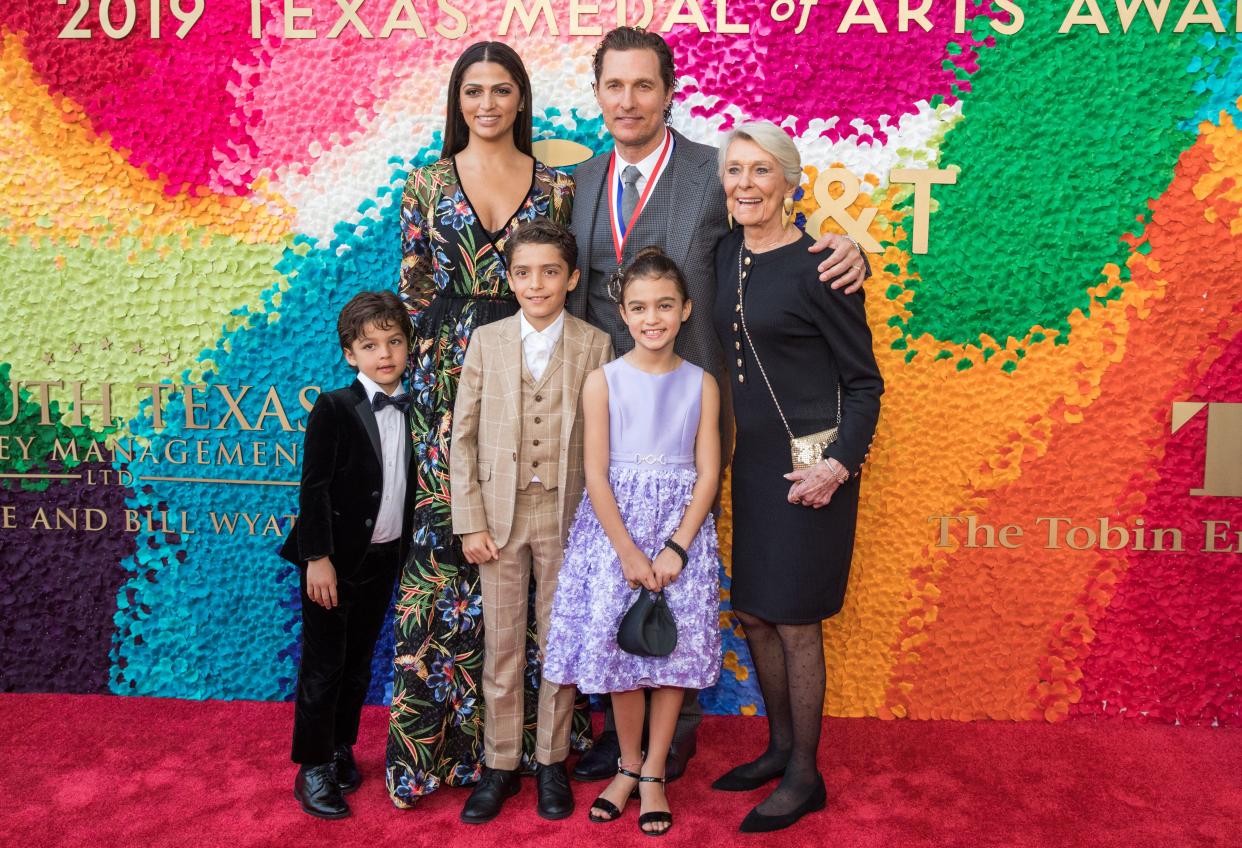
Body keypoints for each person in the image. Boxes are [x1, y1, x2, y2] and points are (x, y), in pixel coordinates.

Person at [566, 25, 871, 783]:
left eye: (644, 85)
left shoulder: (715, 172)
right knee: (614, 567)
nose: (628, 100)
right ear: (598, 93)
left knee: (690, 568)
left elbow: (780, 243)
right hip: (612, 414)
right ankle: (622, 729)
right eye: (614, 85)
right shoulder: (576, 182)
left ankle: (679, 736)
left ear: (671, 92)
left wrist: (849, 247)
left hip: (701, 422)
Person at [386, 41, 590, 807]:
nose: (487, 104)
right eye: (473, 90)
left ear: (521, 99)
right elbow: (411, 292)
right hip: (446, 394)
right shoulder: (425, 184)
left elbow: (576, 287)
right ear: (456, 99)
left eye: (502, 90)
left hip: (537, 377)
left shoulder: (559, 187)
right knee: (451, 562)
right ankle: (449, 753)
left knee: (546, 575)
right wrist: (411, 397)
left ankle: (546, 755)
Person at [710, 121, 883, 832]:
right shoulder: (724, 253)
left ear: (789, 181)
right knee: (753, 611)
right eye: (734, 171)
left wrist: (839, 466)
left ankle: (807, 773)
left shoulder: (823, 265)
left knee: (796, 621)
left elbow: (865, 383)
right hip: (750, 465)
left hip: (815, 466)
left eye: (760, 171)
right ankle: (778, 747)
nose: (745, 183)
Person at [544, 247, 722, 836]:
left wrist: (677, 547)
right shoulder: (604, 382)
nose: (653, 318)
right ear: (623, 313)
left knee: (669, 658)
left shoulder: (703, 385)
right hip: (615, 535)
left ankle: (653, 775)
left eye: (665, 305)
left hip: (679, 537)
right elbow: (595, 473)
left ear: (685, 309)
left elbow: (708, 474)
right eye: (640, 307)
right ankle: (624, 765)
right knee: (623, 655)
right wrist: (626, 550)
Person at [448, 219, 613, 823]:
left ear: (571, 278)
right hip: (497, 519)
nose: (536, 284)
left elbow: (606, 443)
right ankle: (498, 763)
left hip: (566, 518)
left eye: (549, 272)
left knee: (560, 645)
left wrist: (598, 529)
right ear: (509, 278)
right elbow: (461, 439)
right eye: (523, 273)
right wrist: (469, 521)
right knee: (503, 647)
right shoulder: (486, 342)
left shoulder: (595, 345)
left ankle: (550, 761)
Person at [280, 291, 416, 819]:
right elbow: (312, 488)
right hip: (331, 564)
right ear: (349, 355)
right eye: (370, 345)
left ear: (407, 347)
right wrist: (318, 558)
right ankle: (311, 767)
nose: (384, 354)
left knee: (358, 664)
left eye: (394, 342)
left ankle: (340, 747)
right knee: (324, 667)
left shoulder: (416, 408)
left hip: (383, 560)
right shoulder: (334, 407)